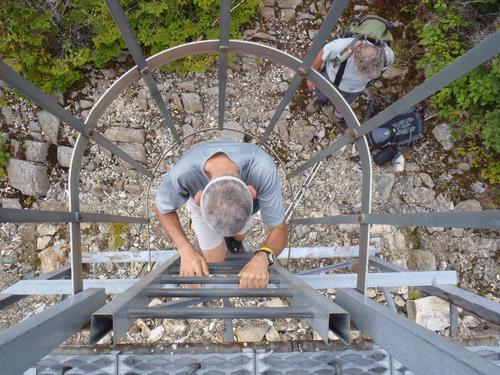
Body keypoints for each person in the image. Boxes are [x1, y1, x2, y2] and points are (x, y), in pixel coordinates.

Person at [155, 140, 288, 289]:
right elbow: (162, 208)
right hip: (209, 207)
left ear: (252, 192)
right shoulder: (182, 174)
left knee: (239, 236)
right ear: (198, 198)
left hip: (243, 207)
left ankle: (235, 240)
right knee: (214, 260)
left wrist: (263, 259)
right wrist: (185, 249)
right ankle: (233, 239)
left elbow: (279, 228)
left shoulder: (263, 169)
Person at [307, 37, 395, 123]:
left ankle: (336, 115)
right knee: (322, 92)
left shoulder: (386, 57)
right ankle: (320, 99)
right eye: (363, 69)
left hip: (352, 90)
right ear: (357, 54)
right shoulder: (343, 46)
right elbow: (324, 53)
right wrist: (312, 73)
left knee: (343, 105)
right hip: (330, 78)